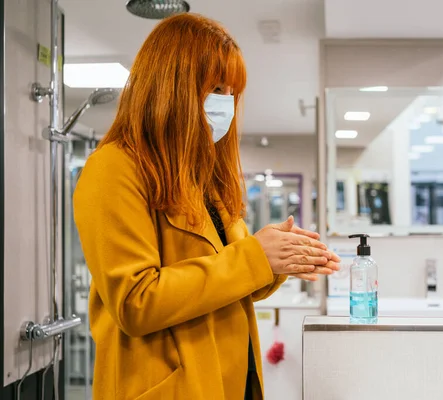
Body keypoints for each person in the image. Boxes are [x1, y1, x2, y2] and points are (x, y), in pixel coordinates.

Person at [73, 13, 340, 400]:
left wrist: (281, 259)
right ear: (171, 87)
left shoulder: (201, 178)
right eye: (216, 87)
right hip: (170, 387)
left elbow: (229, 280)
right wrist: (256, 257)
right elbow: (135, 302)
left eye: (232, 92)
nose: (226, 104)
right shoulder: (114, 168)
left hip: (232, 379)